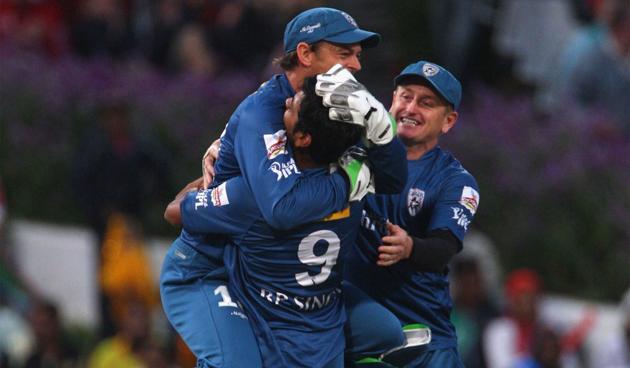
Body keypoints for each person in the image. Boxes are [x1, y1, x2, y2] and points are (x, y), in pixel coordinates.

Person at [181, 6, 408, 366]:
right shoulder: (263, 113)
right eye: (343, 53)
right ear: (305, 54)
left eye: (357, 55)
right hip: (234, 277)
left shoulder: (342, 105)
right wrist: (350, 175)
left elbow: (394, 180)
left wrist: (381, 125)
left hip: (297, 280)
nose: (356, 66)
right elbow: (281, 208)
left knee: (387, 332)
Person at [319, 60, 479, 367]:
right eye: (406, 96)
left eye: (426, 103)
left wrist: (410, 247)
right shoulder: (352, 150)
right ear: (392, 100)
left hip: (424, 337)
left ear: (448, 121)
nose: (411, 108)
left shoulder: (455, 180)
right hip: (355, 330)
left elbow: (444, 247)